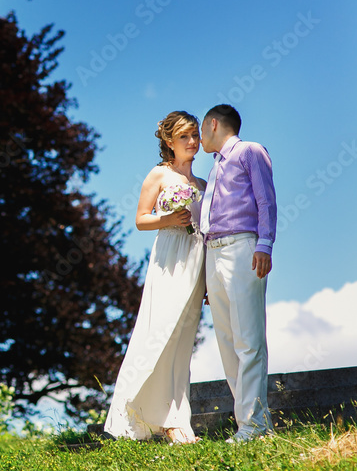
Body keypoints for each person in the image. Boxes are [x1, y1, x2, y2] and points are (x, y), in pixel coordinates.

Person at [104, 111, 207, 444]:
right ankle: (133, 415)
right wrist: (169, 219)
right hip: (168, 259)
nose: (192, 142)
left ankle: (174, 419)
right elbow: (140, 220)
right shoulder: (158, 175)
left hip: (195, 260)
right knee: (158, 332)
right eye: (184, 137)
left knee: (182, 340)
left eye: (195, 135)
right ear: (169, 142)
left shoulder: (204, 186)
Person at [199, 104, 276, 443]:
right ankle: (250, 422)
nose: (199, 137)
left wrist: (265, 244)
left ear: (213, 124)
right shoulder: (215, 165)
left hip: (243, 248)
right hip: (213, 255)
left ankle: (255, 426)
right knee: (228, 343)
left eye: (201, 129)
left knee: (249, 340)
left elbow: (266, 200)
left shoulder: (249, 151)